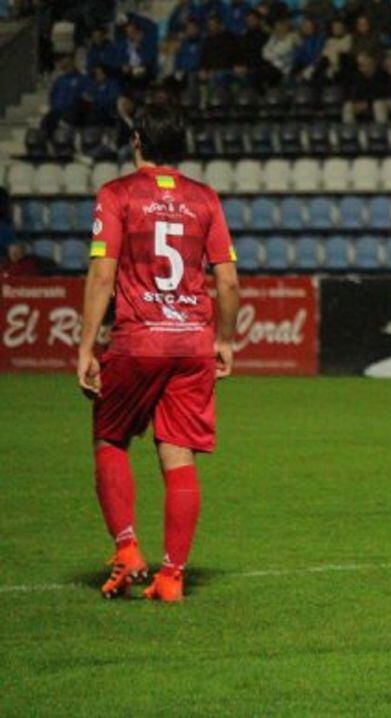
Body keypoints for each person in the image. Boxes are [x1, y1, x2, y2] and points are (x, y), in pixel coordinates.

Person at [77, 102, 240, 603]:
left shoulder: (117, 194)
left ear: (138, 143)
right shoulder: (205, 199)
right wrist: (225, 339)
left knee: (109, 436)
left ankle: (127, 549)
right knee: (177, 453)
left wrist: (86, 346)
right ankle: (172, 576)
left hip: (139, 338)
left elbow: (103, 273)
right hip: (192, 341)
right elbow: (228, 281)